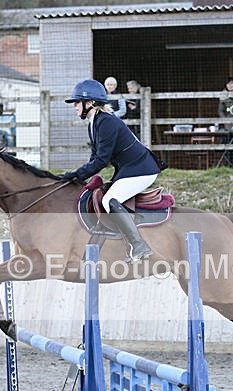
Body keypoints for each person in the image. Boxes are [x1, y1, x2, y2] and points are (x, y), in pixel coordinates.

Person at [62, 79, 166, 262]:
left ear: (90, 102)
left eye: (77, 102)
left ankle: (139, 245)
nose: (75, 106)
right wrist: (78, 177)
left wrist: (76, 174)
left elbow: (102, 160)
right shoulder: (94, 123)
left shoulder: (106, 122)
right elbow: (95, 157)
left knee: (110, 200)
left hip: (142, 170)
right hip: (129, 169)